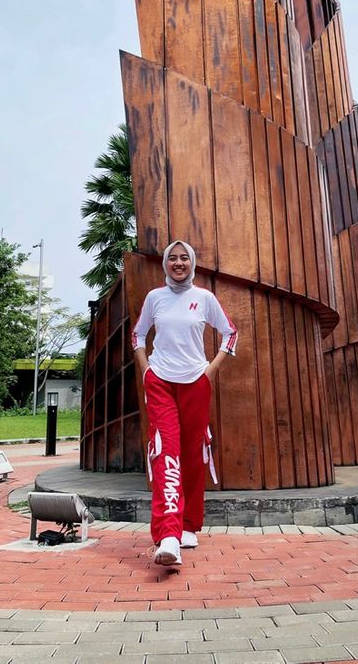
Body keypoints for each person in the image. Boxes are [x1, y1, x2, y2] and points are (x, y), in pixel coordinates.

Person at [131, 240, 238, 565]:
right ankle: (168, 535)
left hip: (195, 382)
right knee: (166, 452)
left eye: (184, 258)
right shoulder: (155, 297)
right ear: (165, 264)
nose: (178, 263)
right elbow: (138, 335)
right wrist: (147, 371)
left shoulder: (204, 298)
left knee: (193, 453)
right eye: (172, 258)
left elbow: (230, 333)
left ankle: (189, 525)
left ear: (192, 263)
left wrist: (210, 370)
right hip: (160, 382)